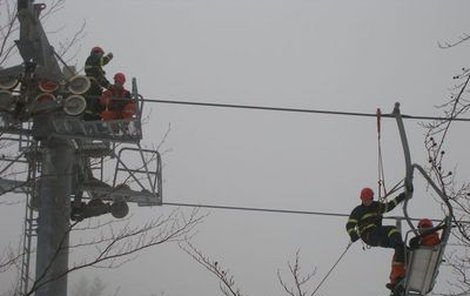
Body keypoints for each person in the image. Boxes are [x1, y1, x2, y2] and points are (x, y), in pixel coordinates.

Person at [346, 187, 408, 290]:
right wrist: (353, 234)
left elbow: (390, 206)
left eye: (368, 199)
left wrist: (402, 197)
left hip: (378, 236)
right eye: (364, 200)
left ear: (372, 198)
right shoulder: (357, 211)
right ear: (361, 199)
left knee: (401, 248)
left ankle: (396, 279)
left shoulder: (377, 206)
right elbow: (349, 225)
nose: (366, 202)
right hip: (369, 234)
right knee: (393, 230)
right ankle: (399, 250)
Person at [84, 46, 113, 120]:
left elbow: (101, 78)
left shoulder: (93, 63)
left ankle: (93, 113)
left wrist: (108, 85)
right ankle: (91, 113)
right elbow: (102, 61)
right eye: (101, 54)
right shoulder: (94, 57)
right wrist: (109, 57)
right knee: (95, 95)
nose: (101, 56)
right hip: (93, 83)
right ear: (98, 52)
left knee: (95, 97)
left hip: (91, 82)